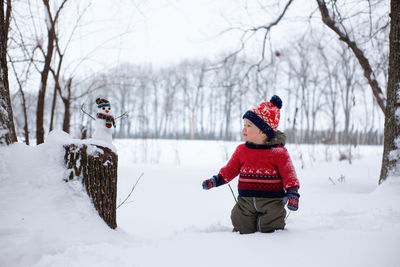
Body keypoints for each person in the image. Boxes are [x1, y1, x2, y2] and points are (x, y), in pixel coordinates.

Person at [202, 95, 300, 234]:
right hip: (245, 202)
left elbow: (289, 174)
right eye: (244, 125)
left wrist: (293, 193)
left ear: (263, 130)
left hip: (272, 202)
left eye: (248, 126)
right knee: (239, 221)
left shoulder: (278, 152)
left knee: (271, 226)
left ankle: (265, 239)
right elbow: (230, 170)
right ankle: (246, 241)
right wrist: (216, 180)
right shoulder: (242, 150)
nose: (244, 130)